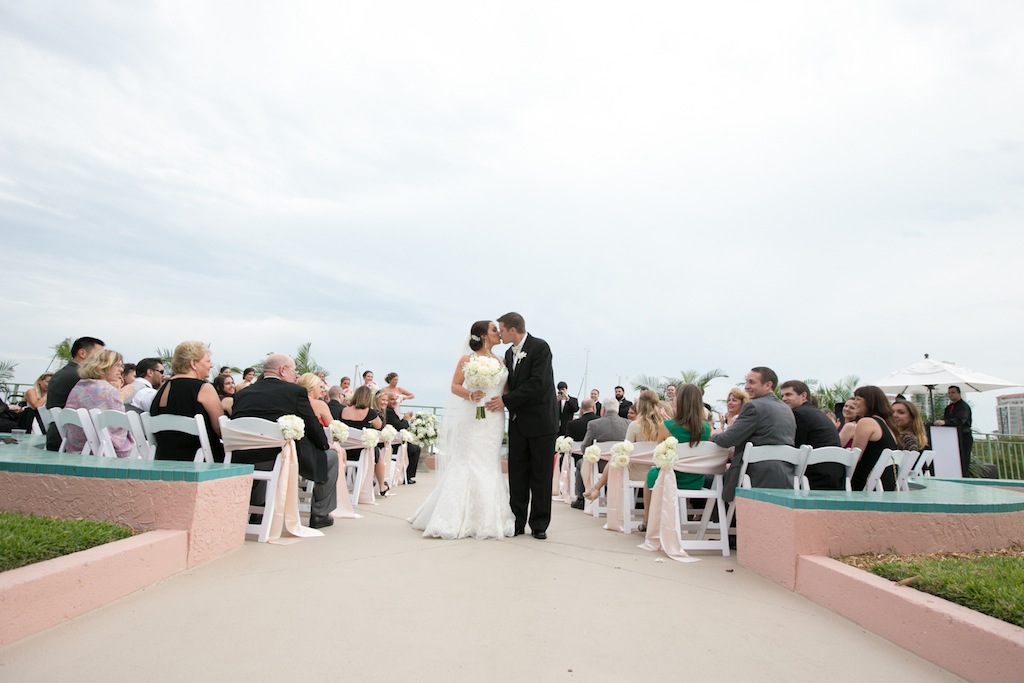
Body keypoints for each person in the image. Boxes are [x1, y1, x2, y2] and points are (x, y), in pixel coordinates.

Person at [411, 320, 515, 539]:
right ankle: (453, 517)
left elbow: (506, 389)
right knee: (467, 460)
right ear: (484, 336)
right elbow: (455, 386)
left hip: (494, 418)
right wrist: (470, 394)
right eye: (494, 329)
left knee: (488, 462)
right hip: (472, 415)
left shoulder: (502, 360)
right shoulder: (468, 359)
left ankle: (488, 517)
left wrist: (504, 401)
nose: (499, 333)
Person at [231, 354, 339, 529]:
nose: (295, 375)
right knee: (331, 457)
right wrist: (325, 445)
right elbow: (312, 426)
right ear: (282, 370)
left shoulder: (242, 394)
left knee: (261, 456)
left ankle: (258, 512)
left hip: (242, 456)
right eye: (294, 370)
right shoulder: (294, 392)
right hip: (279, 457)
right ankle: (320, 514)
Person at [484, 312, 559, 539]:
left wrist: (505, 401)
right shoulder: (508, 352)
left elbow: (538, 383)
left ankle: (539, 524)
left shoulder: (540, 347)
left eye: (501, 330)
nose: (500, 333)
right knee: (517, 475)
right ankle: (516, 521)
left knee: (541, 475)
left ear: (512, 330)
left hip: (542, 422)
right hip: (518, 423)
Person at [712, 367, 796, 503]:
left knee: (714, 479)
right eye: (746, 382)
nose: (746, 386)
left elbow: (726, 440)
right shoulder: (786, 409)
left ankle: (718, 521)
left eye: (751, 382)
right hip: (785, 476)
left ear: (768, 385)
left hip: (753, 477)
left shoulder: (754, 407)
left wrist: (715, 434)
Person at [643, 384, 712, 529]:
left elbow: (658, 455)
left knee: (651, 475)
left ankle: (647, 520)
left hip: (671, 479)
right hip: (696, 481)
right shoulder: (706, 427)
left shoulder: (666, 426)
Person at [149, 341, 224, 462]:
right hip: (201, 461)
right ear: (193, 364)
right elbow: (220, 429)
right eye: (208, 361)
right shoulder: (204, 389)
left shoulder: (161, 390)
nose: (211, 365)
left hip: (164, 459)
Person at [63, 350, 133, 457]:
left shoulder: (79, 386)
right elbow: (118, 427)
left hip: (77, 446)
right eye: (117, 365)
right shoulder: (107, 390)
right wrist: (120, 397)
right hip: (103, 449)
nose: (121, 369)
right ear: (103, 365)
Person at [780, 379, 843, 489]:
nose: (784, 399)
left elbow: (794, 447)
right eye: (782, 396)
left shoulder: (799, 414)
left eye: (788, 394)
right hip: (835, 475)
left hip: (815, 477)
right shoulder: (816, 412)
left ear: (803, 396)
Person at [46, 336, 105, 451]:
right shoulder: (81, 377)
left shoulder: (63, 373)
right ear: (82, 353)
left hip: (57, 432)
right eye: (98, 354)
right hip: (74, 438)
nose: (101, 359)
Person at [578, 397, 629, 502]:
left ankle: (581, 499)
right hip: (622, 465)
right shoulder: (628, 424)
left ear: (603, 409)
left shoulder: (594, 424)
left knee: (580, 463)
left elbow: (584, 447)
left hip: (600, 465)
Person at [340, 385, 387, 496]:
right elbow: (379, 426)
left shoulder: (344, 411)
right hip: (361, 452)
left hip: (344, 450)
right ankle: (382, 486)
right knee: (378, 455)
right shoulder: (370, 413)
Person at [849, 386, 898, 491]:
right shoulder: (886, 424)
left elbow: (855, 457)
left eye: (858, 399)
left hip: (867, 484)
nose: (854, 402)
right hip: (885, 483)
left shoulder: (866, 422)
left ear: (870, 401)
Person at [934, 385, 973, 476]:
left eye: (953, 393)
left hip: (963, 437)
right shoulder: (949, 408)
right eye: (949, 393)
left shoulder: (963, 407)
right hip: (951, 438)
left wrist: (945, 422)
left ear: (958, 393)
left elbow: (960, 420)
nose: (950, 395)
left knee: (963, 461)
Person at [384, 392, 421, 484]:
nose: (394, 401)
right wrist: (406, 419)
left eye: (395, 399)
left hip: (391, 441)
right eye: (391, 399)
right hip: (393, 444)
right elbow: (400, 426)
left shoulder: (390, 411)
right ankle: (407, 476)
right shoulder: (389, 412)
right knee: (416, 449)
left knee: (413, 447)